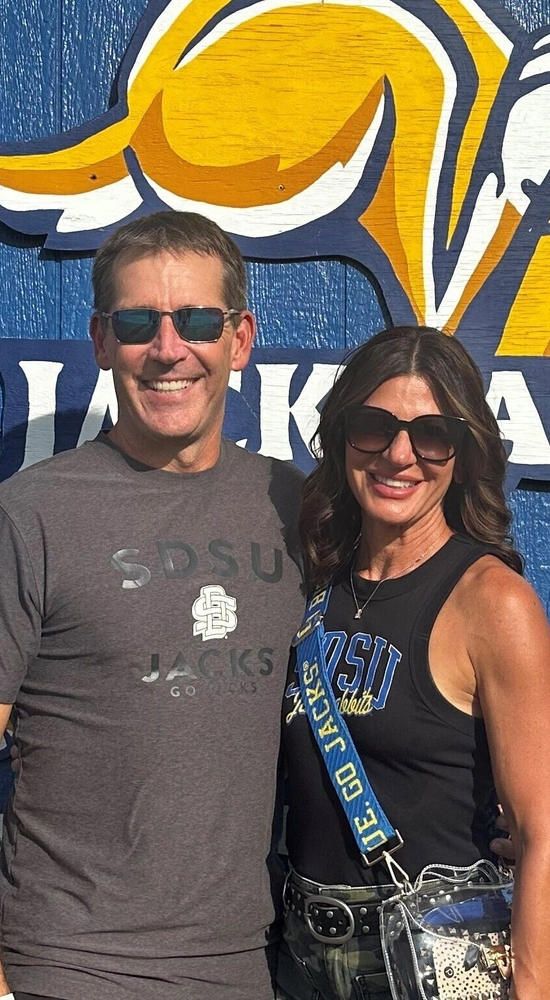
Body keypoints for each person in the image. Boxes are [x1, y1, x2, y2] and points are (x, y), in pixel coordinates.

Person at [0, 211, 304, 1000]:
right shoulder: (31, 513)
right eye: (139, 322)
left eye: (199, 320)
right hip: (64, 969)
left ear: (239, 340)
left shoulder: (298, 507)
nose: (169, 348)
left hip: (245, 970)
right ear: (102, 341)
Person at [276, 326, 550, 1000]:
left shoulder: (491, 599)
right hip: (297, 959)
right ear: (342, 436)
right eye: (373, 426)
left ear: (462, 452)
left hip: (432, 963)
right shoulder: (316, 580)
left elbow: (543, 831)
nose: (399, 455)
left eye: (432, 435)